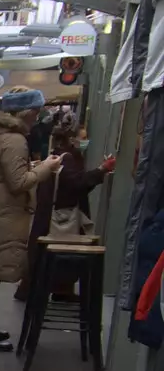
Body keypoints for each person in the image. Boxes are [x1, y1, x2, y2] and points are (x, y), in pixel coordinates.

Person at [0, 86, 62, 352]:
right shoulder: (14, 140)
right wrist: (46, 168)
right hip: (2, 214)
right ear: (28, 112)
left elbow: (0, 174)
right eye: (37, 111)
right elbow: (18, 183)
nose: (39, 116)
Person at [17, 119, 117, 301]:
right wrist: (101, 170)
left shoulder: (64, 155)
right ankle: (57, 289)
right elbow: (76, 183)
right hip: (62, 213)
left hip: (52, 211)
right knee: (61, 254)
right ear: (71, 139)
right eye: (83, 138)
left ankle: (47, 289)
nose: (86, 141)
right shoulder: (69, 158)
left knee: (44, 255)